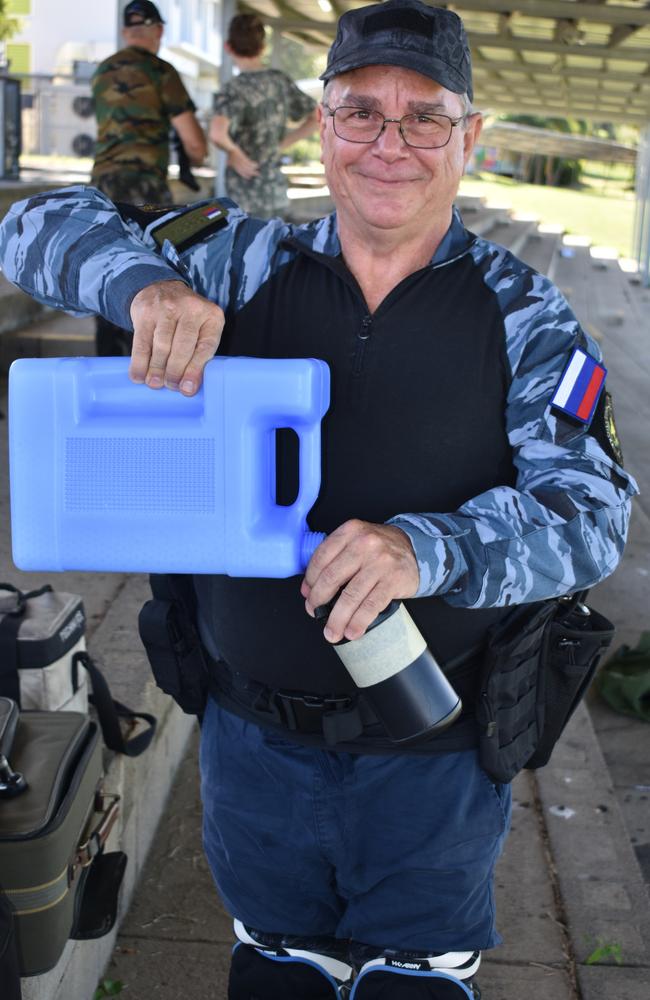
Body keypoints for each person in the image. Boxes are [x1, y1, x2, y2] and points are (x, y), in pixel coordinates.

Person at [0, 3, 637, 997]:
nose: (389, 144)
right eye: (358, 112)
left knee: (415, 982)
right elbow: (32, 226)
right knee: (274, 967)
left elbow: (591, 516)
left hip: (434, 756)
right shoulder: (238, 258)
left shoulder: (521, 315)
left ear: (468, 138)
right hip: (251, 746)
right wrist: (137, 284)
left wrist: (423, 548)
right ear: (322, 124)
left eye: (423, 116)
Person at [90, 0, 207, 355]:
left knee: (106, 271)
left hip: (102, 187)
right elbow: (193, 141)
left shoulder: (102, 71)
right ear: (158, 31)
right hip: (146, 189)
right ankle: (148, 365)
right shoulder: (161, 72)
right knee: (152, 276)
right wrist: (196, 156)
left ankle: (107, 363)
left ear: (127, 32)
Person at [209, 13, 318, 218]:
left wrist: (235, 153)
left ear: (228, 47)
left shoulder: (232, 89)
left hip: (243, 197)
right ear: (263, 47)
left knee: (246, 248)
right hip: (275, 192)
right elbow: (317, 117)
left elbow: (217, 133)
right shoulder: (279, 81)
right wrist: (281, 144)